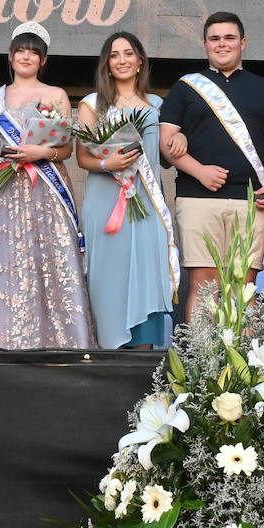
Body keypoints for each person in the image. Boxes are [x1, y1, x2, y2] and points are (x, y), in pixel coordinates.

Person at [0, 21, 93, 349]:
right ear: (10, 55)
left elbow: (65, 149)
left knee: (44, 257)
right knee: (5, 259)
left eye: (34, 52)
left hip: (43, 187)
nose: (26, 57)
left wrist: (39, 152)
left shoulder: (56, 94)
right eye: (21, 50)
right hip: (3, 190)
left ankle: (53, 340)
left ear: (43, 60)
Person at [160, 12, 264, 318]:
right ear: (205, 45)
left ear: (243, 43)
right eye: (215, 39)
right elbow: (166, 141)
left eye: (229, 38)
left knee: (246, 286)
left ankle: (245, 365)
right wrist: (199, 170)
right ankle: (201, 363)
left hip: (252, 201)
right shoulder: (185, 88)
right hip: (197, 198)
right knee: (204, 285)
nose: (222, 44)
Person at [76, 32, 177, 349]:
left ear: (140, 62)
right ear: (107, 64)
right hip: (106, 205)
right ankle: (110, 352)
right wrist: (110, 163)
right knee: (110, 280)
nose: (121, 60)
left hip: (147, 202)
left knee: (147, 275)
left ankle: (144, 364)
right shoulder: (92, 104)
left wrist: (180, 141)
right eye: (115, 54)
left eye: (128, 54)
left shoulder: (158, 105)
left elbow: (168, 151)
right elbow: (83, 157)